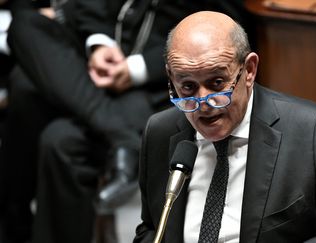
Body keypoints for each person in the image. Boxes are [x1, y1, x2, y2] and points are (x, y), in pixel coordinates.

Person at [1, 1, 254, 243]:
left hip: (161, 87)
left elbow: (229, 37)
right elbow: (90, 7)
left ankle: (117, 132)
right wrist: (98, 42)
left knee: (59, 140)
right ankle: (121, 134)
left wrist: (137, 69)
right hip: (93, 71)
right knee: (25, 25)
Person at [133, 11, 316, 243]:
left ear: (249, 70)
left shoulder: (313, 132)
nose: (204, 103)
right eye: (187, 86)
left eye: (217, 82)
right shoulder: (160, 131)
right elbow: (152, 229)